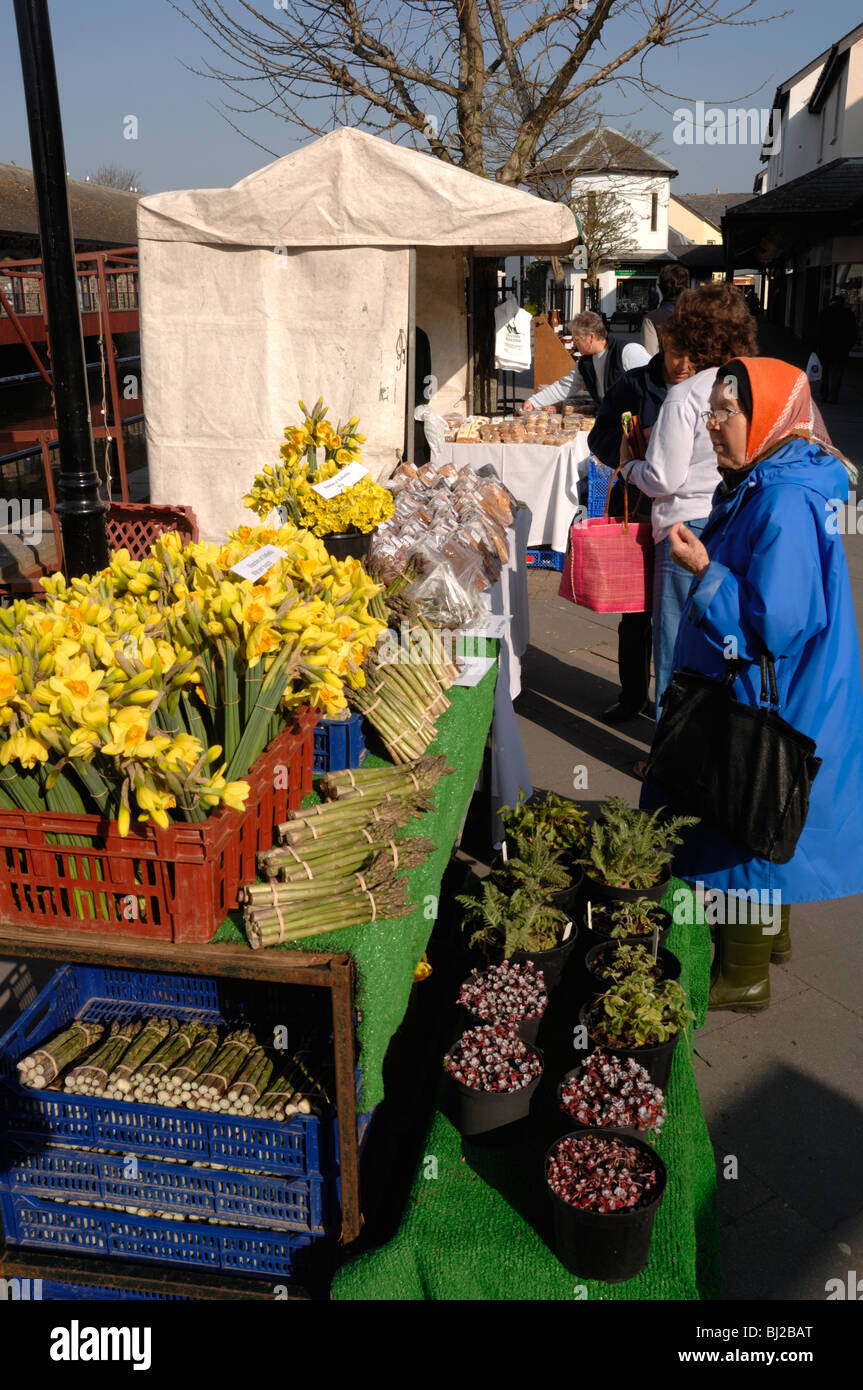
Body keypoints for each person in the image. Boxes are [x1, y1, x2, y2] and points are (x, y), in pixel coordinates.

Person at [653, 357, 863, 1011]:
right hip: (785, 691)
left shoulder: (782, 497)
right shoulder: (773, 476)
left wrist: (703, 569)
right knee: (774, 813)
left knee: (746, 819)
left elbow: (775, 622)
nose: (712, 426)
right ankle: (770, 941)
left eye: (726, 413)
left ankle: (742, 976)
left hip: (770, 693)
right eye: (710, 411)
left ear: (767, 416)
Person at [620, 282, 758, 720]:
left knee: (675, 642)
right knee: (722, 637)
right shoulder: (750, 383)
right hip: (735, 519)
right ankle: (711, 742)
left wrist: (627, 468)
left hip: (685, 527)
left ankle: (667, 752)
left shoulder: (687, 394)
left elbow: (663, 477)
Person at [586, 331, 698, 723]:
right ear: (664, 347)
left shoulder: (707, 387)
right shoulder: (632, 385)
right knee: (635, 615)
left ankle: (681, 710)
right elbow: (598, 436)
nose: (682, 365)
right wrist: (637, 442)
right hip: (637, 510)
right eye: (676, 353)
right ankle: (633, 697)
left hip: (687, 515)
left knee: (681, 619)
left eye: (691, 356)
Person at [522, 311, 649, 410]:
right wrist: (533, 401)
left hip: (635, 424)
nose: (574, 344)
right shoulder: (585, 362)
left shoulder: (628, 352)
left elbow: (653, 385)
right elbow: (565, 386)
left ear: (591, 337)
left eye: (576, 340)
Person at [814, 293, 859, 404]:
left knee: (825, 372)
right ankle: (833, 396)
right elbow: (853, 333)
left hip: (825, 348)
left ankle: (824, 394)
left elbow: (818, 331)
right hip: (841, 349)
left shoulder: (825, 312)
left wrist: (816, 346)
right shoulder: (848, 314)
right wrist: (848, 347)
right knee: (837, 372)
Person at [639, 264, 690, 358]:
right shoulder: (698, 314)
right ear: (686, 287)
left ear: (660, 288)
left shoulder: (652, 319)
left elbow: (649, 359)